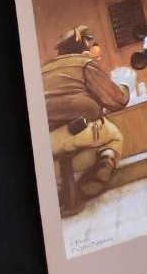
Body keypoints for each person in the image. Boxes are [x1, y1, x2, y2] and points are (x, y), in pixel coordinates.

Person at [41, 25, 130, 211]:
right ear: (83, 47)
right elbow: (117, 100)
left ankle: (67, 193)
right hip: (79, 131)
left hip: (47, 140)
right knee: (114, 136)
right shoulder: (84, 64)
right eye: (89, 44)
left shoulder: (44, 69)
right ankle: (100, 171)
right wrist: (125, 85)